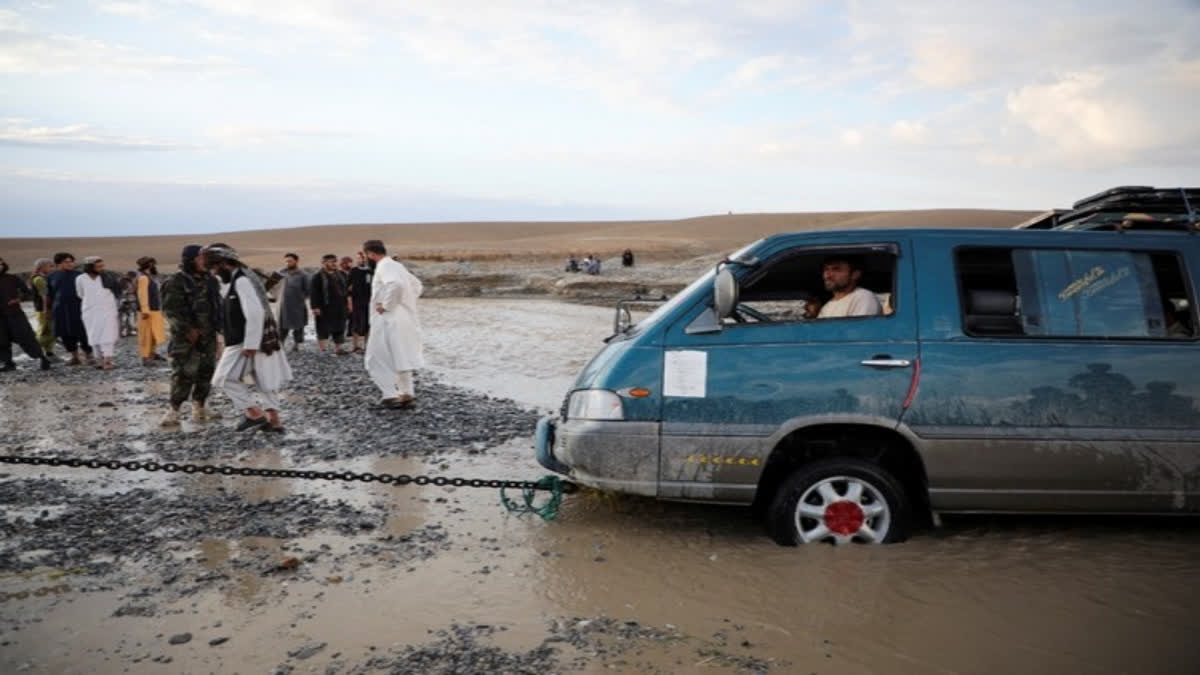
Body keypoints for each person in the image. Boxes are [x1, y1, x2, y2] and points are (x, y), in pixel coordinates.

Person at [206, 244, 292, 433]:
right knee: (264, 380)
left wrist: (251, 344)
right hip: (252, 339)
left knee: (224, 378)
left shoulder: (242, 281)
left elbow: (254, 313)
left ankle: (255, 414)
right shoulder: (236, 279)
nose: (213, 271)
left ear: (223, 264)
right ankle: (274, 423)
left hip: (246, 341)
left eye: (213, 267)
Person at [160, 245, 223, 427]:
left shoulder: (211, 280)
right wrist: (188, 330)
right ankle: (174, 410)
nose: (206, 261)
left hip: (209, 335)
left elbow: (217, 306)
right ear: (190, 260)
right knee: (183, 373)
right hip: (185, 337)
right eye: (202, 258)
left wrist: (219, 331)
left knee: (206, 371)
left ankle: (200, 406)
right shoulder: (175, 282)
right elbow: (171, 311)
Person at [362, 240, 424, 409]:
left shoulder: (384, 266)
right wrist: (405, 302)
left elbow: (395, 285)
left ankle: (390, 395)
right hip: (401, 316)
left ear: (370, 253)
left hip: (388, 318)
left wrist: (386, 305)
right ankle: (407, 393)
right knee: (400, 354)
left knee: (376, 356)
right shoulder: (397, 266)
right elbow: (417, 286)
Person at [0, 256, 51, 372]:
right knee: (1, 340)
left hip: (15, 314)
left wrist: (18, 299)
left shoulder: (12, 278)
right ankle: (8, 363)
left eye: (1, 264)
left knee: (26, 337)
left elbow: (27, 293)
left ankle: (42, 358)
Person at [75, 256, 121, 369]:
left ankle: (108, 361)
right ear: (90, 267)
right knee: (93, 335)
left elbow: (117, 291)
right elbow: (80, 294)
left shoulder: (108, 277)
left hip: (107, 310)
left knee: (108, 335)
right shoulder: (81, 278)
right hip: (90, 311)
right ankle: (99, 360)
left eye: (102, 266)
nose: (101, 268)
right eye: (98, 266)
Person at [47, 252, 93, 366]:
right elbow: (49, 295)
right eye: (66, 262)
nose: (70, 264)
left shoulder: (80, 275)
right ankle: (74, 357)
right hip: (60, 310)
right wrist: (47, 310)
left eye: (71, 261)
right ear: (58, 264)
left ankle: (89, 355)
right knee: (65, 333)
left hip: (79, 308)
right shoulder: (51, 277)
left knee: (83, 332)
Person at [816, 255, 881, 319]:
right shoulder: (826, 307)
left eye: (836, 269)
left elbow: (861, 328)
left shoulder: (864, 297)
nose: (827, 275)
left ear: (855, 274)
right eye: (826, 269)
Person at [310, 253, 349, 355]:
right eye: (331, 262)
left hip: (340, 306)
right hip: (324, 307)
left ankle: (339, 349)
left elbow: (347, 290)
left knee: (340, 327)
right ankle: (323, 350)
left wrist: (348, 303)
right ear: (324, 263)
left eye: (335, 261)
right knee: (323, 328)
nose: (334, 263)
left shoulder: (341, 275)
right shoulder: (317, 277)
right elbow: (314, 293)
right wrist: (315, 307)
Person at [270, 253, 309, 352]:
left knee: (298, 326)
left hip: (297, 305)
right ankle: (281, 344)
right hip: (282, 305)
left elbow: (308, 290)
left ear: (296, 261)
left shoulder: (303, 274)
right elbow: (268, 286)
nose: (287, 263)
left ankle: (297, 345)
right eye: (286, 261)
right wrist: (274, 296)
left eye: (290, 261)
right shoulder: (280, 273)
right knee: (281, 326)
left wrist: (300, 297)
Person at [135, 256, 166, 365]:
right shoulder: (143, 278)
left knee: (154, 334)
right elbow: (142, 295)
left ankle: (152, 353)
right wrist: (145, 310)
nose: (154, 266)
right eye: (152, 264)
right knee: (146, 335)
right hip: (147, 311)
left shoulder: (150, 277)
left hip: (155, 309)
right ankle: (145, 357)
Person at [29, 258, 57, 359]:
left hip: (46, 308)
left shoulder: (43, 277)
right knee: (46, 331)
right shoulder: (39, 279)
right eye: (50, 266)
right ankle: (34, 348)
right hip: (43, 309)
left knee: (49, 331)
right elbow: (44, 296)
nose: (52, 268)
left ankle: (49, 352)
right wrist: (46, 310)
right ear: (43, 267)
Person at [347, 251, 372, 353]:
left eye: (363, 258)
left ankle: (367, 346)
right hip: (356, 302)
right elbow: (347, 288)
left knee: (368, 324)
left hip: (369, 302)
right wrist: (349, 303)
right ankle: (355, 346)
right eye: (359, 258)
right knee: (355, 324)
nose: (361, 260)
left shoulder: (371, 271)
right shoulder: (353, 271)